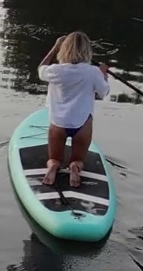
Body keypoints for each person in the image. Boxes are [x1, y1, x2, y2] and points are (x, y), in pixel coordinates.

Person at [37, 31, 112, 188]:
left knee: (54, 158)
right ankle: (75, 167)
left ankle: (53, 166)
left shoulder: (55, 70)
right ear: (87, 51)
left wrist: (55, 47)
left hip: (58, 124)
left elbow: (41, 69)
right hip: (82, 125)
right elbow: (104, 92)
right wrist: (103, 74)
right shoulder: (93, 72)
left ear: (63, 49)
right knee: (78, 159)